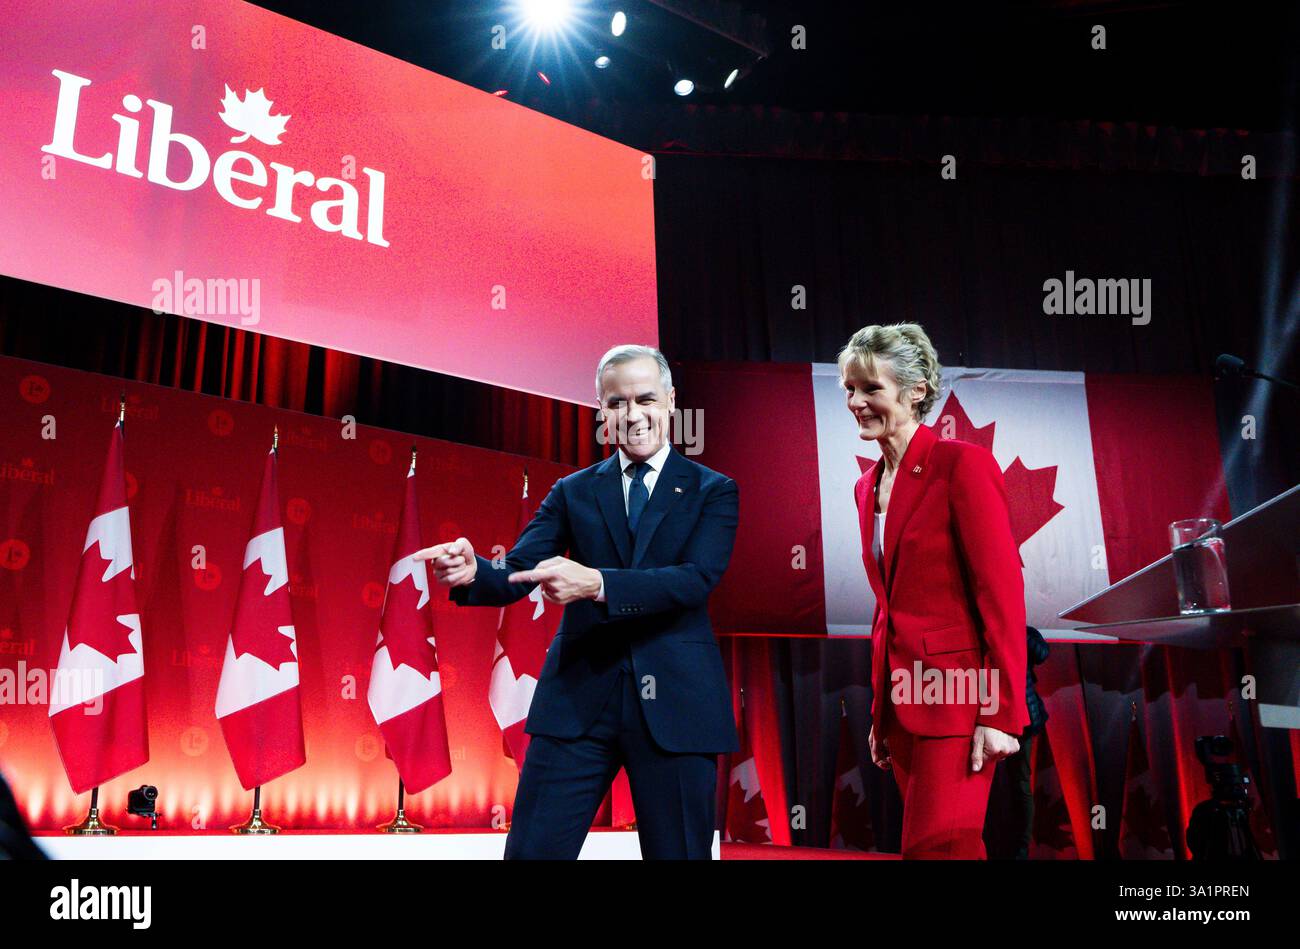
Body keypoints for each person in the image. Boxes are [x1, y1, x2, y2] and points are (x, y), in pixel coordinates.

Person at [415, 345, 740, 859]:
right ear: (600, 410)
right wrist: (476, 570)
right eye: (616, 403)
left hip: (677, 708)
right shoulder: (573, 491)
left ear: (671, 401)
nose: (632, 415)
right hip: (577, 703)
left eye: (645, 399)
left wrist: (597, 584)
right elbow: (520, 570)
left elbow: (694, 580)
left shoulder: (712, 491)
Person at [843, 322, 1028, 859]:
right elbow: (889, 610)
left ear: (916, 390)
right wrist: (882, 713)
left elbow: (1002, 595)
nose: (856, 402)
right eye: (850, 389)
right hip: (903, 708)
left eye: (870, 388)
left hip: (959, 701)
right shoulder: (866, 486)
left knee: (939, 849)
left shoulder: (961, 465)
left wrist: (1000, 713)